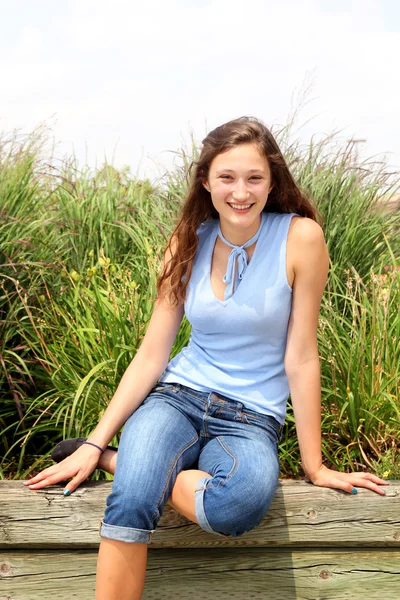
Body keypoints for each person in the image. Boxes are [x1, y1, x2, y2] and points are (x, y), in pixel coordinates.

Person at [24, 116, 389, 600]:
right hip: (178, 399)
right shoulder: (189, 240)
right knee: (132, 500)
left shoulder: (301, 238)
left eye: (255, 178)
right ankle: (130, 463)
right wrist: (93, 442)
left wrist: (315, 466)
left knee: (238, 503)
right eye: (227, 178)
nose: (241, 192)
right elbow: (152, 354)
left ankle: (128, 461)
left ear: (273, 180)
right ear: (206, 181)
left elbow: (301, 357)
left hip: (251, 417)